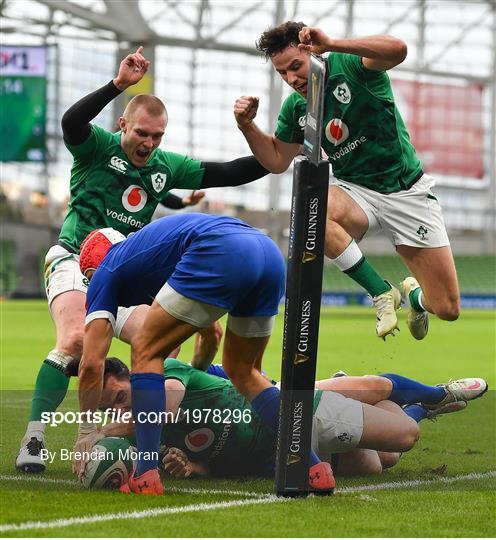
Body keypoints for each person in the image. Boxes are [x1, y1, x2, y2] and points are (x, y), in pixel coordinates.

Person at [16, 46, 272, 474]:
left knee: (188, 331)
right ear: (123, 125)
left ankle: (176, 408)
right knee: (78, 340)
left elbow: (229, 172)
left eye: (157, 137)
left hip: (127, 272)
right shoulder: (97, 147)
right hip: (76, 258)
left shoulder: (164, 166)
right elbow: (70, 123)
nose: (149, 144)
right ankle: (36, 438)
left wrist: (282, 148)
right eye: (142, 134)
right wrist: (118, 85)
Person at [74, 213, 335, 494]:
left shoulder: (106, 270)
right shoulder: (150, 261)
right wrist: (194, 375)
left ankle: (145, 475)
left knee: (145, 351)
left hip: (222, 249)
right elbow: (212, 333)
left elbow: (91, 364)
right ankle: (314, 468)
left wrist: (87, 431)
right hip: (268, 253)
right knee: (244, 373)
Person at [234, 22, 460, 342]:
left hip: (406, 191)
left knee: (447, 308)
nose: (292, 79)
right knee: (313, 211)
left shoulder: (350, 65)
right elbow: (276, 161)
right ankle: (381, 292)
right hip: (355, 191)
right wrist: (247, 127)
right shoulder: (297, 107)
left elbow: (398, 50)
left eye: (296, 67)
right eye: (283, 73)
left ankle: (415, 299)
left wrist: (334, 43)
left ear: (311, 51)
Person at [64, 356, 487, 480]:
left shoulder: (163, 378)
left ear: (130, 376)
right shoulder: (148, 440)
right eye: (109, 409)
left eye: (119, 397)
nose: (119, 411)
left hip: (284, 405)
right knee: (382, 461)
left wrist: (96, 433)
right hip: (275, 455)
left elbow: (169, 403)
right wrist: (189, 467)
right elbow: (206, 459)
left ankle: (432, 399)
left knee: (387, 406)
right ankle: (411, 408)